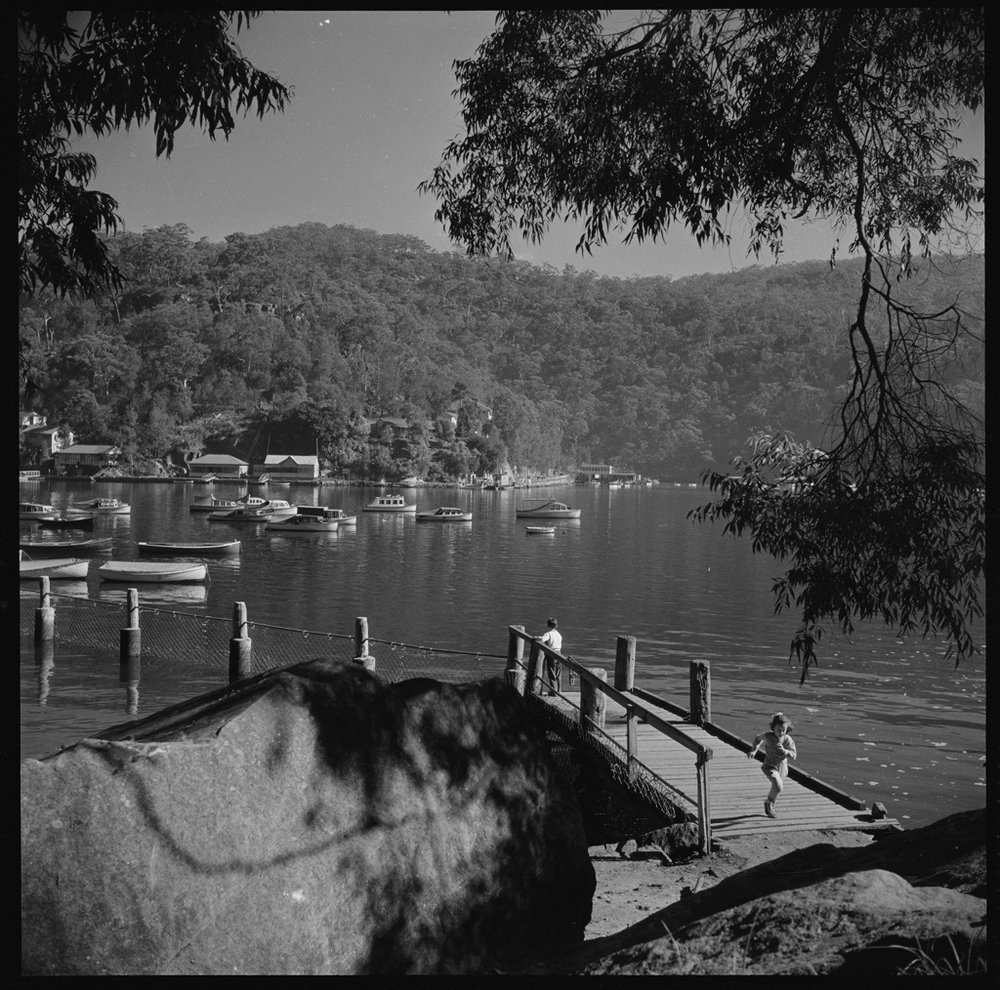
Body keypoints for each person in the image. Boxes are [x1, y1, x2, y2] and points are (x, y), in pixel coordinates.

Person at [748, 712, 797, 818]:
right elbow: (757, 738)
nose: (781, 732)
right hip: (769, 766)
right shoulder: (768, 736)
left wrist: (786, 752)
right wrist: (754, 750)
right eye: (778, 729)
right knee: (778, 787)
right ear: (773, 728)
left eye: (783, 730)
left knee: (776, 787)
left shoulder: (787, 739)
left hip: (782, 768)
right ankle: (769, 804)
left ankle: (770, 805)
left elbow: (794, 755)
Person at [536, 617, 562, 696]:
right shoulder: (558, 634)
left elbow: (542, 640)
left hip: (551, 652)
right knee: (558, 673)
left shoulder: (548, 634)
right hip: (559, 653)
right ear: (556, 626)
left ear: (548, 625)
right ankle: (559, 690)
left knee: (551, 672)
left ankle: (553, 691)